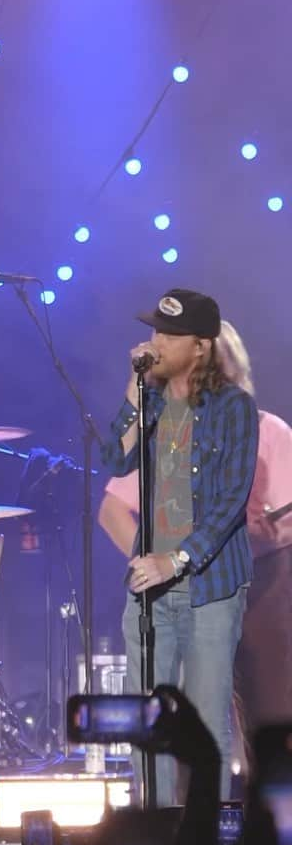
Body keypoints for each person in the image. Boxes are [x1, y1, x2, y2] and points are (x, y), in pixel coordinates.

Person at [100, 290, 258, 805]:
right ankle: (156, 833)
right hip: (149, 592)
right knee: (149, 721)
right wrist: (135, 386)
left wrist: (178, 558)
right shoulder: (148, 401)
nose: (156, 343)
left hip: (209, 588)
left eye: (170, 336)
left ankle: (208, 842)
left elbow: (232, 499)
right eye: (154, 333)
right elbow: (113, 459)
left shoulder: (234, 409)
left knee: (208, 720)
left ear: (201, 346)